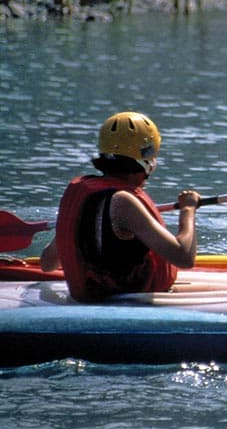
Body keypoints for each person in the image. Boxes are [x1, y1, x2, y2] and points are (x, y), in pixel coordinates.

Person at [40, 111, 201, 302]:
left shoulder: (84, 193)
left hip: (91, 294)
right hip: (124, 301)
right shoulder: (124, 201)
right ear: (146, 159)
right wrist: (188, 210)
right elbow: (184, 257)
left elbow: (48, 263)